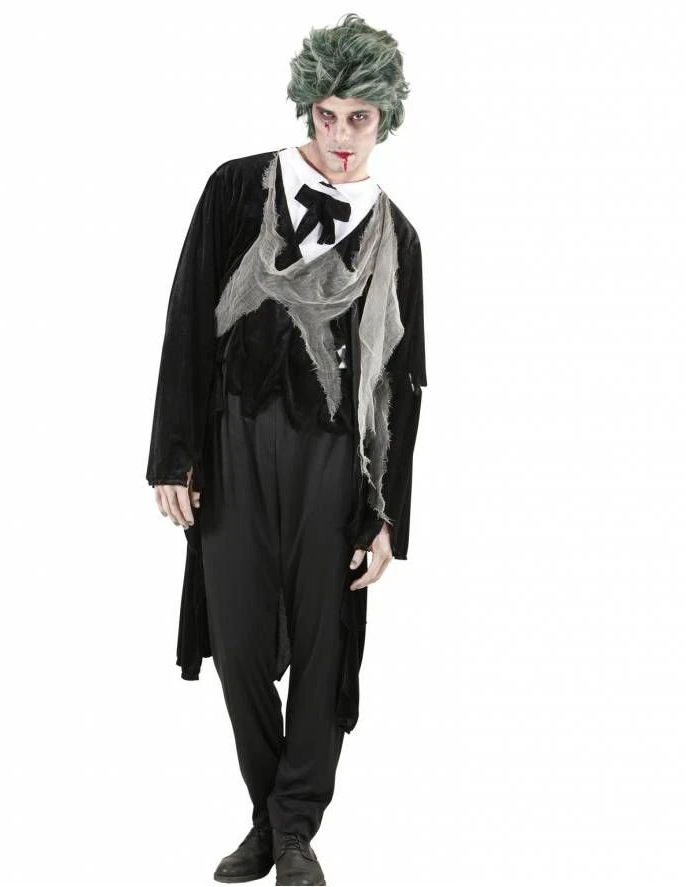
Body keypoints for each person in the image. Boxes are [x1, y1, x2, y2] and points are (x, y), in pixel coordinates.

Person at [145, 13, 427, 885]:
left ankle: (293, 826)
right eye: (328, 115)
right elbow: (187, 315)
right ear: (308, 108)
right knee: (235, 637)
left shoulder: (398, 237)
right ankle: (270, 814)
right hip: (232, 440)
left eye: (360, 119)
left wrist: (388, 517)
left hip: (333, 462)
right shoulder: (237, 188)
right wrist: (172, 453)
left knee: (322, 638)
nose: (341, 137)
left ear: (384, 121)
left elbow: (401, 385)